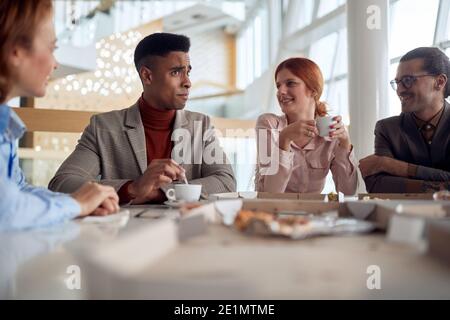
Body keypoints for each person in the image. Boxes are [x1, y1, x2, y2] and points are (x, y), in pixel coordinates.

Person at [48, 32, 236, 204]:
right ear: (147, 76)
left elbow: (226, 181)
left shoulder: (201, 126)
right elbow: (62, 183)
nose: (187, 82)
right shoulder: (103, 128)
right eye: (176, 72)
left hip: (186, 232)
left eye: (188, 72)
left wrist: (163, 192)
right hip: (124, 235)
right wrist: (133, 188)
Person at [0, 0, 119, 231]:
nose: (56, 64)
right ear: (16, 50)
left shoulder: (7, 124)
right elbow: (5, 209)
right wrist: (76, 203)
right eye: (52, 49)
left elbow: (18, 188)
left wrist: (78, 203)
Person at [255, 57, 357, 194]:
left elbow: (348, 194)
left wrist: (345, 144)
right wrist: (284, 138)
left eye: (290, 83)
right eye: (278, 85)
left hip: (314, 213)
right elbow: (271, 193)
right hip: (273, 212)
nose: (281, 91)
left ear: (313, 90)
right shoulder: (268, 124)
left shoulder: (330, 131)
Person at [360, 47, 450, 193]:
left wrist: (394, 166)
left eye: (408, 80)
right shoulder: (387, 128)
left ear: (439, 82)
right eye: (397, 82)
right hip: (401, 215)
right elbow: (377, 186)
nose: (399, 90)